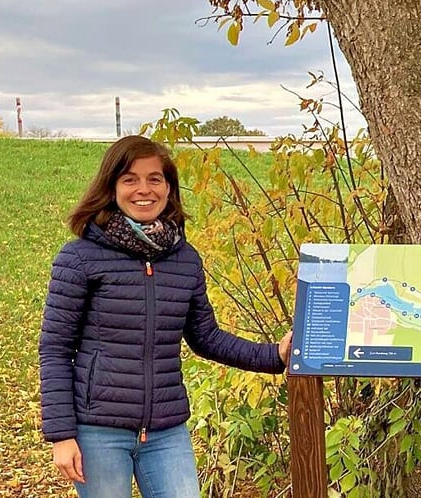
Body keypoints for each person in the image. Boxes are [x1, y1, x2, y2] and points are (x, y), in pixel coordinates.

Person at [39, 135, 293, 497]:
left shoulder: (184, 259)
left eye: (154, 179)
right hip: (98, 431)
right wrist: (62, 434)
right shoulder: (79, 258)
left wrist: (274, 355)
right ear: (112, 187)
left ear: (168, 187)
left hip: (166, 430)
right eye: (130, 179)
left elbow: (206, 337)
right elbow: (55, 349)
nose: (144, 189)